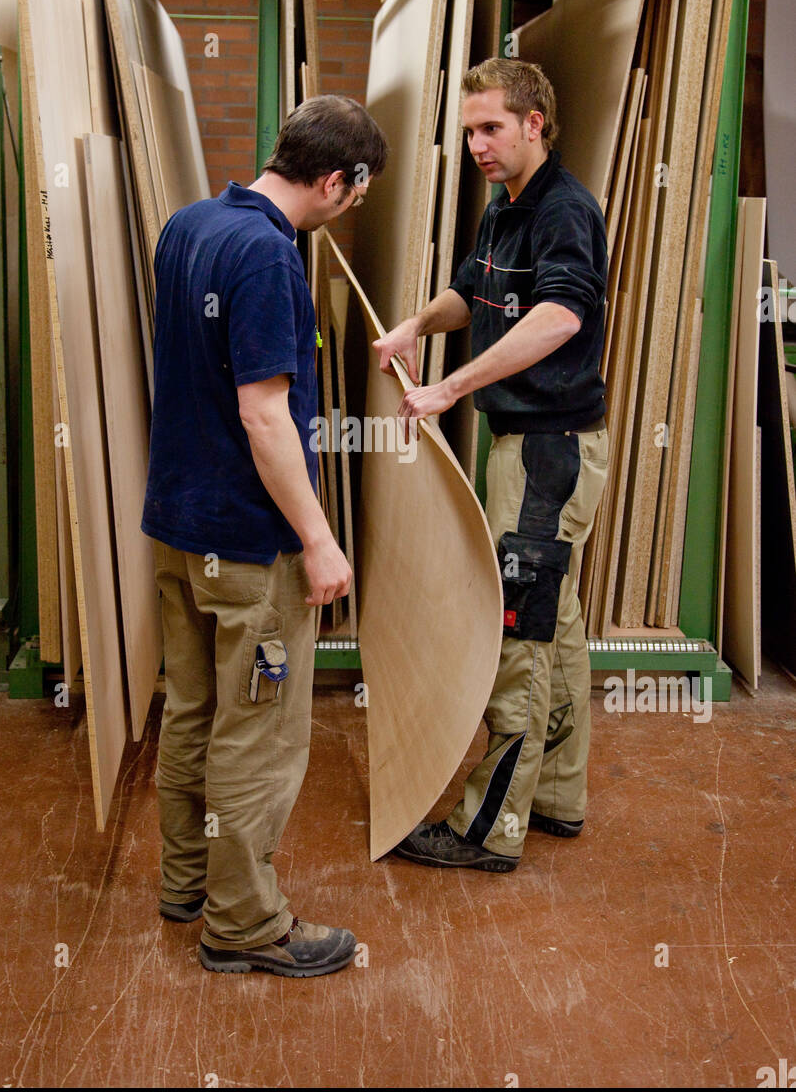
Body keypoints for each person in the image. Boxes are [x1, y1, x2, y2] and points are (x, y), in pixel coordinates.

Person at [142, 94, 387, 974]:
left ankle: (186, 883)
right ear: (335, 179)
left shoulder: (190, 224)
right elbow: (265, 415)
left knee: (195, 711)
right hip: (249, 545)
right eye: (354, 195)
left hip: (177, 524)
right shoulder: (271, 260)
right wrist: (320, 540)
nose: (350, 210)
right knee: (259, 732)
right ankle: (243, 924)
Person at [373, 58, 608, 873]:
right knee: (557, 625)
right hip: (525, 444)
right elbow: (469, 295)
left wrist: (451, 387)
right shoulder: (501, 210)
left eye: (490, 128)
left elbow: (558, 317)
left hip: (551, 451)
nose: (475, 143)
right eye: (469, 129)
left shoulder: (565, 212)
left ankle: (488, 830)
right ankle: (554, 797)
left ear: (534, 123)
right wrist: (413, 328)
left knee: (518, 631)